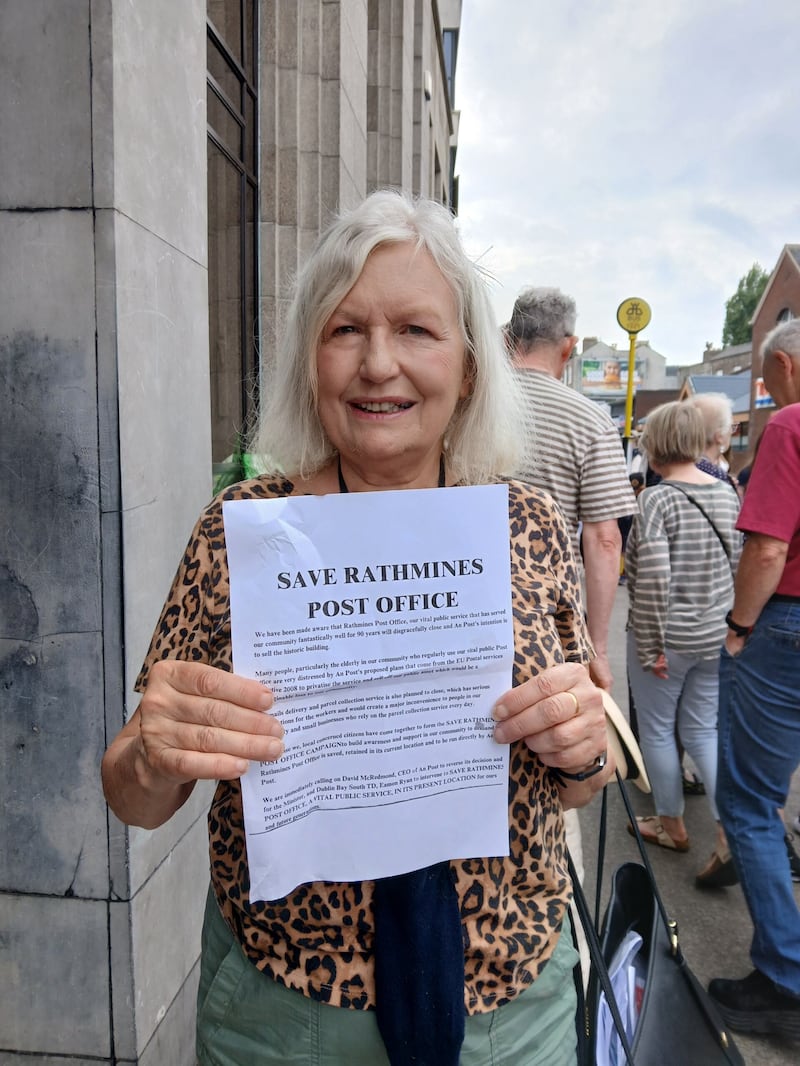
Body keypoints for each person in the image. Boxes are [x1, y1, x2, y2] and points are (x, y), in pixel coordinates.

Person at [101, 191, 612, 1066]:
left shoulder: (525, 525)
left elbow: (576, 780)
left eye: (417, 330)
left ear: (470, 366)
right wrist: (150, 750)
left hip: (509, 1008)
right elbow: (136, 798)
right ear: (311, 362)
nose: (380, 364)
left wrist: (586, 748)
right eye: (346, 331)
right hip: (285, 1013)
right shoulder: (242, 532)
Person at [709, 320, 800, 1039]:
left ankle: (785, 978)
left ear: (783, 364)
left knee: (748, 800)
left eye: (766, 381)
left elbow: (768, 547)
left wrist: (739, 627)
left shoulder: (791, 427)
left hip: (787, 628)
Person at [623, 402, 741, 882]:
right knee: (702, 732)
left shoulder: (658, 500)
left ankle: (671, 825)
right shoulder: (727, 494)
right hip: (715, 637)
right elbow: (738, 566)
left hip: (667, 639)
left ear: (656, 443)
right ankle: (728, 832)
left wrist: (649, 645)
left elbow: (651, 579)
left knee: (656, 731)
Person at [504, 287, 636, 692]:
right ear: (569, 347)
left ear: (508, 337)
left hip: (460, 601)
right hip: (548, 622)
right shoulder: (591, 420)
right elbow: (604, 539)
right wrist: (596, 647)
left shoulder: (464, 405)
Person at [686, 391, 740, 493]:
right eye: (731, 427)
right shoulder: (716, 477)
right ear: (719, 436)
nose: (731, 433)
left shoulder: (675, 468)